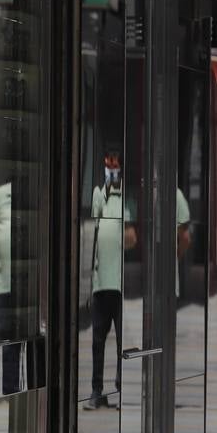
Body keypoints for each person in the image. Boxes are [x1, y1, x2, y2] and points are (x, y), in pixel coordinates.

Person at [85, 152, 130, 410]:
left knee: (123, 344)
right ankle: (96, 391)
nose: (111, 172)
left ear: (120, 169)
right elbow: (92, 234)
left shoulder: (125, 198)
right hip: (102, 284)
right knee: (97, 342)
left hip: (121, 285)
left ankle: (122, 387)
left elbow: (132, 236)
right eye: (107, 167)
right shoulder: (98, 195)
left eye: (115, 167)